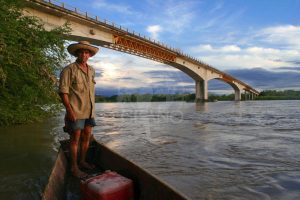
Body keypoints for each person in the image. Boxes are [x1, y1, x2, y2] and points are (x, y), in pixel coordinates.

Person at [59, 41, 99, 178]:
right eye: (81, 52)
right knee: (75, 139)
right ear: (77, 54)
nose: (84, 54)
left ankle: (82, 162)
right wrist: (69, 112)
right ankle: (74, 167)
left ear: (90, 55)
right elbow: (63, 92)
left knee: (87, 136)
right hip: (76, 111)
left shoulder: (92, 70)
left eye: (86, 52)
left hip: (90, 111)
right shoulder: (69, 69)